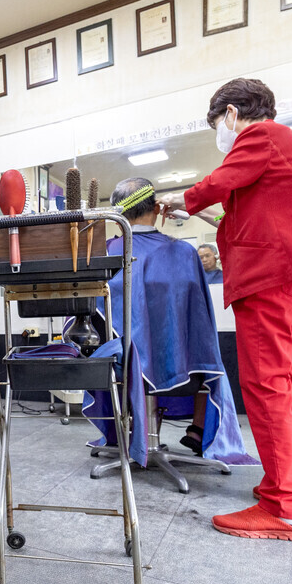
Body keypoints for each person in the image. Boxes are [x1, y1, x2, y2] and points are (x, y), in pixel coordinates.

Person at [158, 78, 292, 543]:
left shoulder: (261, 136)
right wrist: (199, 212)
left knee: (267, 386)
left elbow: (221, 182)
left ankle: (282, 507)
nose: (222, 133)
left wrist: (184, 197)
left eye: (219, 124)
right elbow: (240, 211)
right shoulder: (282, 150)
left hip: (270, 277)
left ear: (232, 114)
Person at [82, 177, 252, 467]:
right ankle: (193, 431)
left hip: (126, 365)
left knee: (119, 350)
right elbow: (201, 325)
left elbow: (86, 318)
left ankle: (135, 430)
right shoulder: (185, 252)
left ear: (118, 213)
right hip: (185, 365)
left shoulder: (106, 253)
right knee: (199, 353)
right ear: (157, 208)